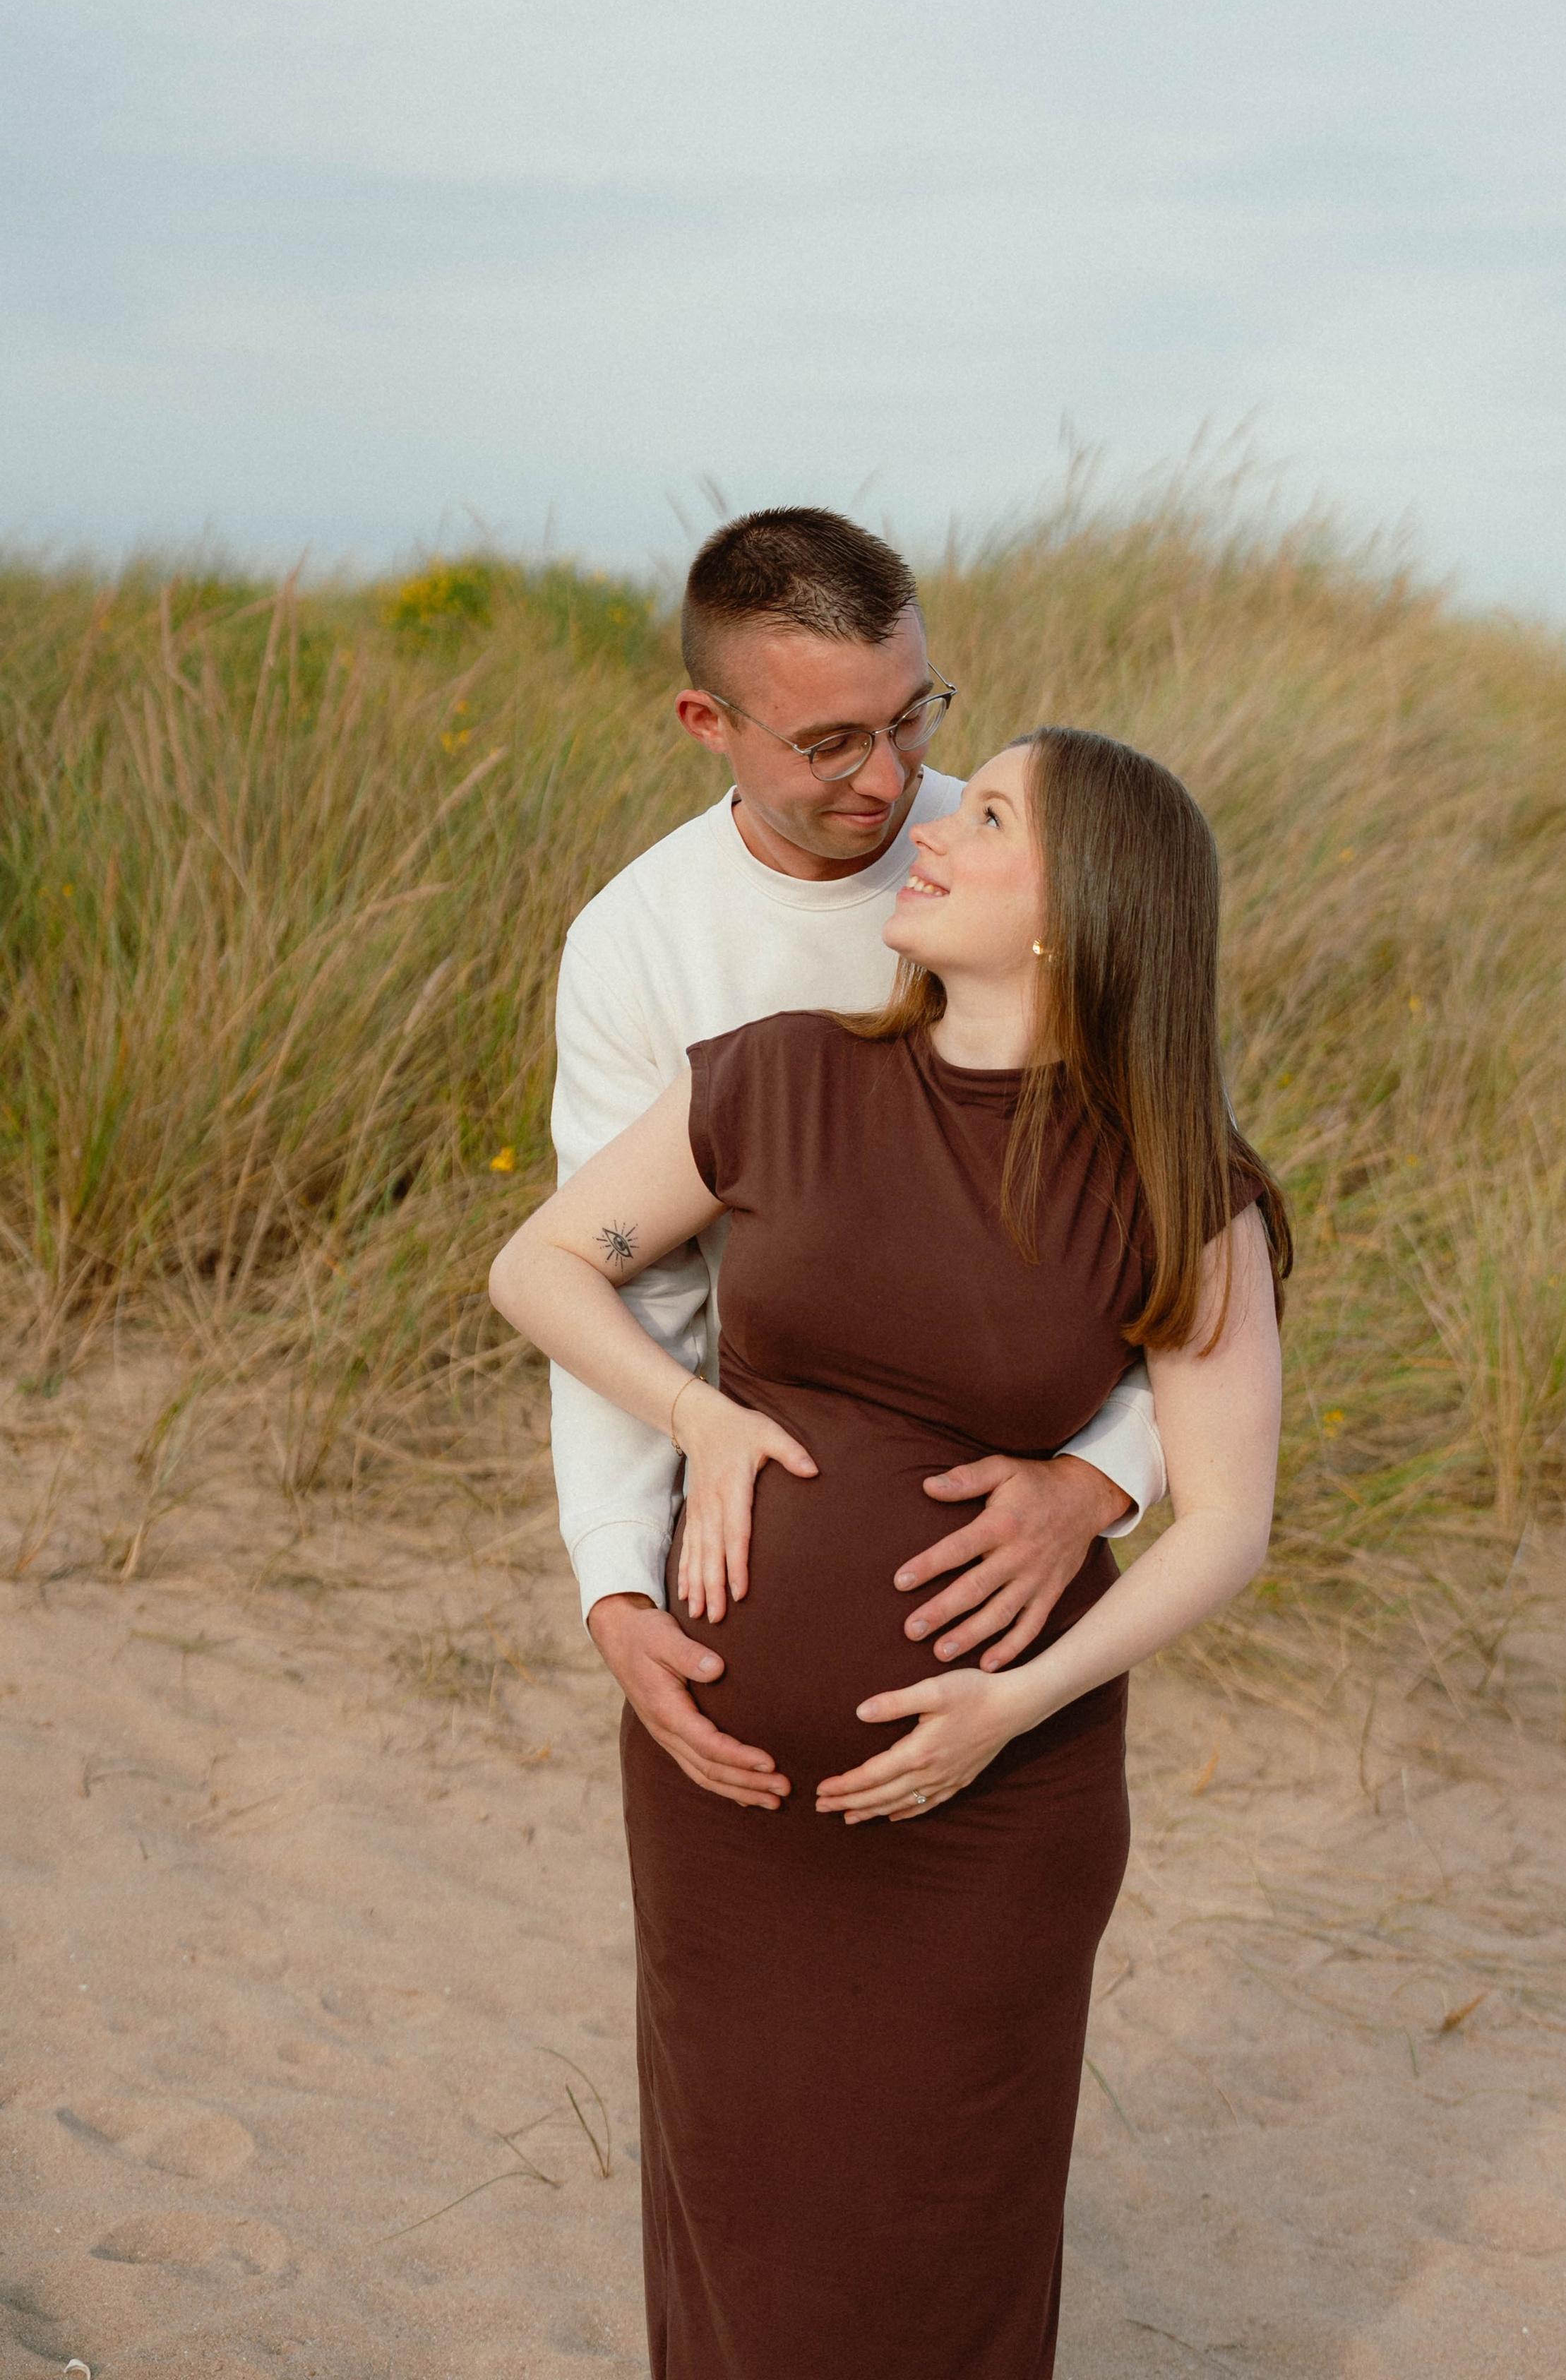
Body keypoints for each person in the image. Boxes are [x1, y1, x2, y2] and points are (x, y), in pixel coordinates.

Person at [492, 722, 1290, 2380]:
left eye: (983, 815)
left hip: (991, 1811)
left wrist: (1012, 1704)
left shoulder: (1180, 1189)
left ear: (1082, 913)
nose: (928, 825)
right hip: (724, 1801)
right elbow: (544, 1267)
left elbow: (1224, 1523)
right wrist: (697, 1421)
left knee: (945, 2221)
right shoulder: (774, 1074)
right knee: (735, 2210)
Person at [549, 507, 1171, 1813]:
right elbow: (623, 1288)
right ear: (706, 725)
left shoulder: (1030, 858)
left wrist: (1102, 1475)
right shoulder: (638, 947)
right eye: (831, 743)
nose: (893, 786)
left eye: (912, 718)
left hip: (1007, 1684)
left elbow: (1172, 1227)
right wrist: (615, 1577)